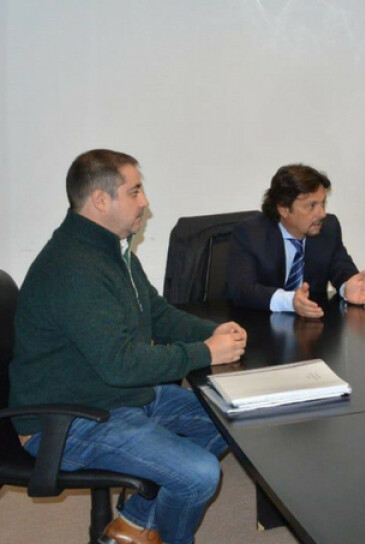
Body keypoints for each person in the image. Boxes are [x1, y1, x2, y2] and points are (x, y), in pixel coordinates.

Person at [9, 149, 248, 544]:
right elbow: (120, 364)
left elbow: (157, 314)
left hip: (115, 396)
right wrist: (206, 352)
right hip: (68, 419)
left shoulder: (111, 249)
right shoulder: (73, 267)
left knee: (235, 418)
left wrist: (214, 332)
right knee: (199, 474)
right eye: (134, 191)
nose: (145, 202)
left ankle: (135, 524)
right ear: (100, 200)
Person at [226, 164, 365, 318]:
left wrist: (347, 287)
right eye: (311, 206)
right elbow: (242, 289)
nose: (322, 213)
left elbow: (340, 267)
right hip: (257, 323)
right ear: (284, 209)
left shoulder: (328, 228)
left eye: (322, 203)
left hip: (311, 325)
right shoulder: (250, 233)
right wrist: (290, 301)